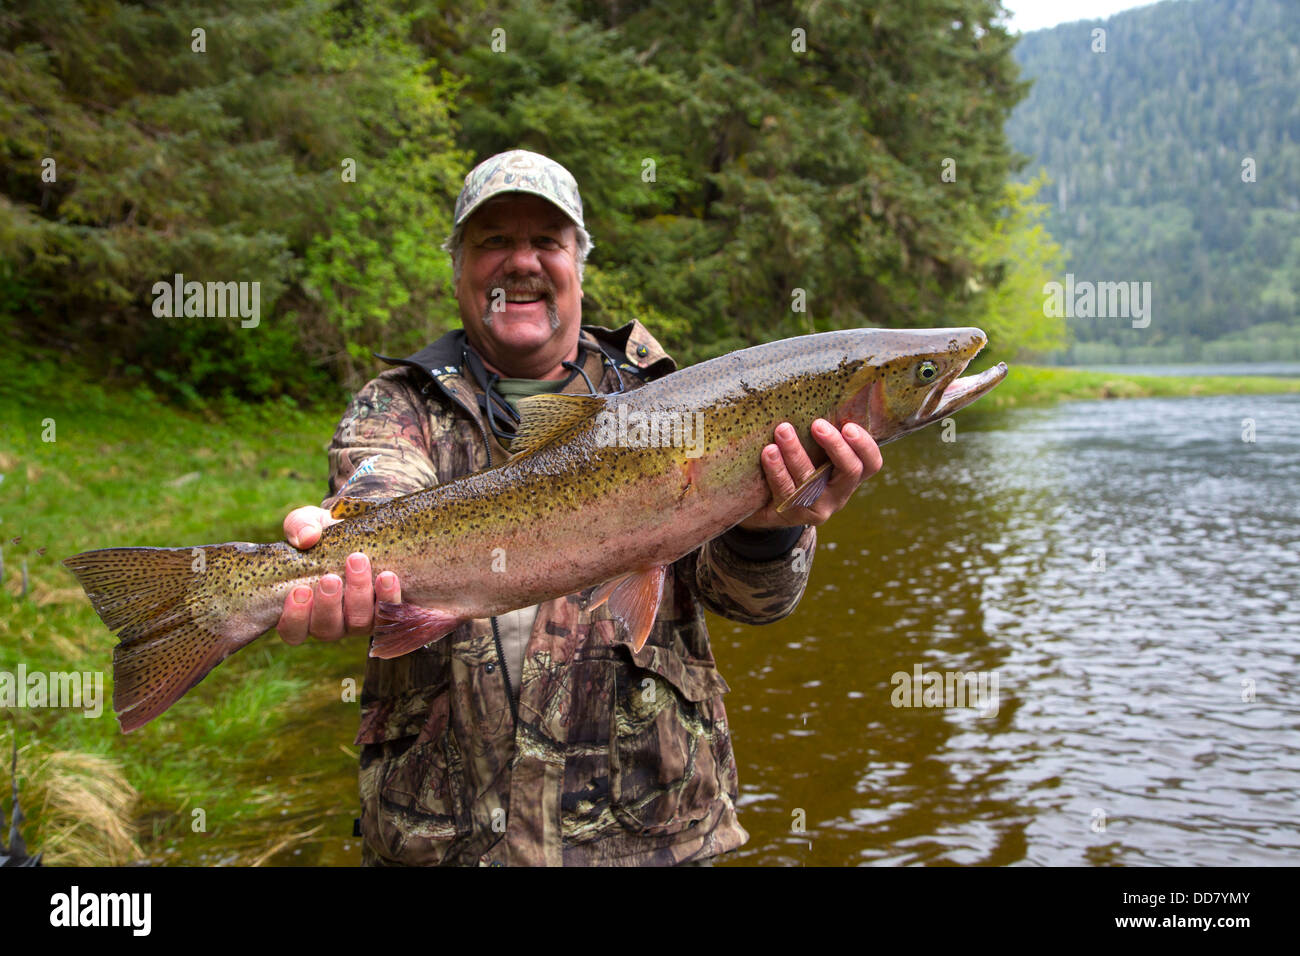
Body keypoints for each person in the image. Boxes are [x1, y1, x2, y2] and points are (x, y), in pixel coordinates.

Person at [275, 149, 883, 866]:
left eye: (546, 241)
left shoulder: (675, 400)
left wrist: (769, 528)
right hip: (443, 845)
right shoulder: (397, 404)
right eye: (494, 240)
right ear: (458, 263)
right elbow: (380, 490)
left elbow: (751, 601)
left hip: (650, 838)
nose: (521, 262)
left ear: (579, 261)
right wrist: (342, 557)